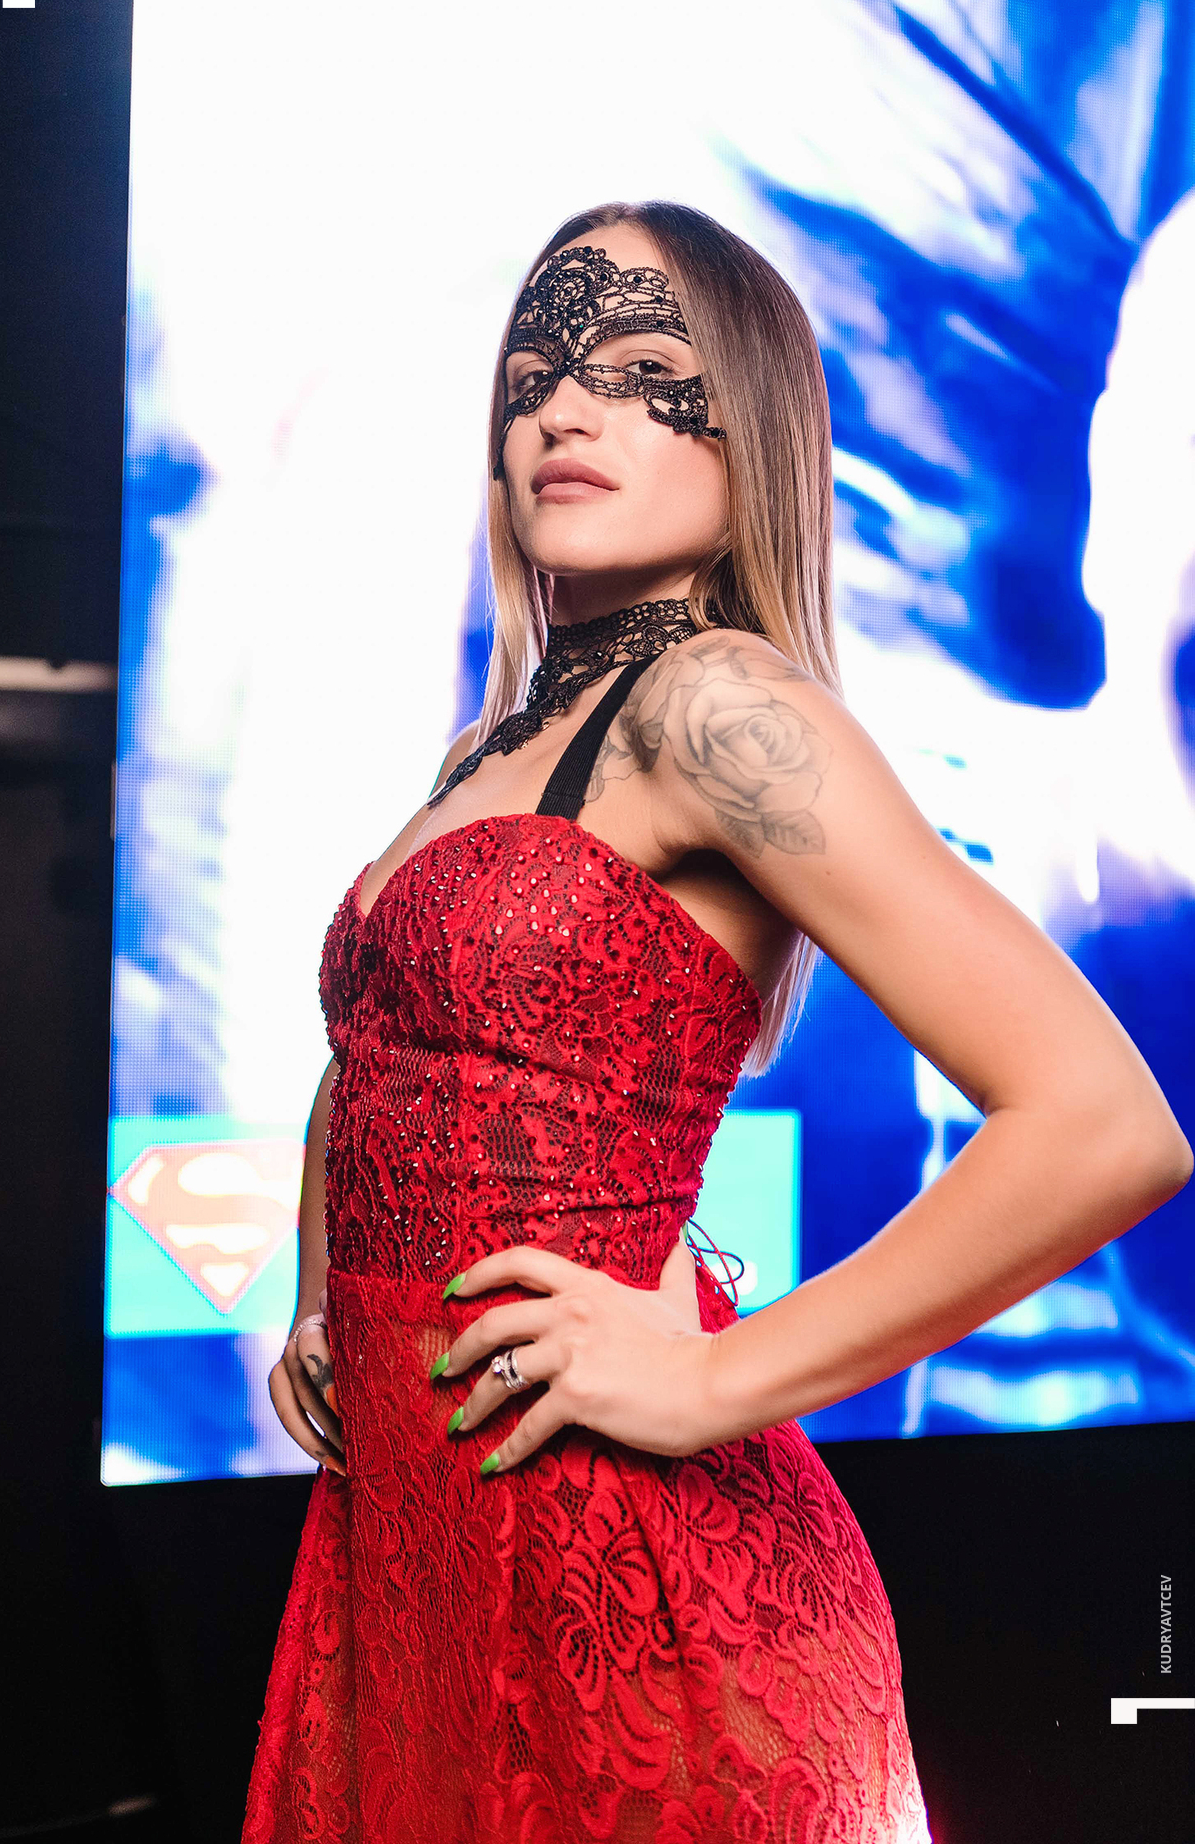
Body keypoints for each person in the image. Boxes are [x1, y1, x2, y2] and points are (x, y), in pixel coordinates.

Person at [242, 202, 1191, 1843]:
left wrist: (714, 1381)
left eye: (637, 367)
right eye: (535, 375)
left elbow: (1104, 1126)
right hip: (416, 1557)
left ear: (748, 424)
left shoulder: (719, 707)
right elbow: (379, 1050)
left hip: (637, 1589)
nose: (565, 406)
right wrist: (331, 1304)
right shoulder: (491, 750)